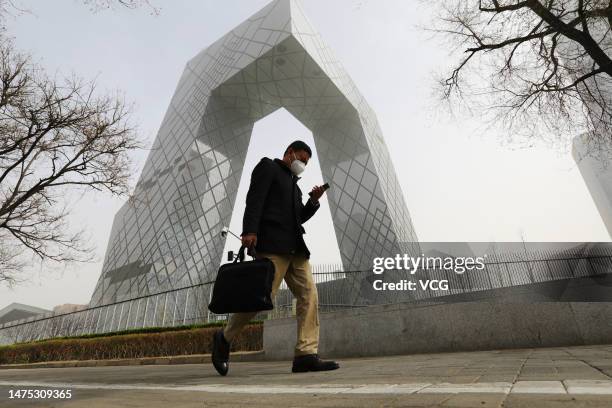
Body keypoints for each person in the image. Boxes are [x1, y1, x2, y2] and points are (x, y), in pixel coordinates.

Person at [211, 140, 340, 376]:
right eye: (301, 159)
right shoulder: (268, 167)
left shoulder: (295, 185)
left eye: (306, 163)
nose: (302, 164)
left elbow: (298, 217)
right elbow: (255, 198)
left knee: (309, 294)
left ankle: (305, 354)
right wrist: (249, 229)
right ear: (290, 153)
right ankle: (224, 338)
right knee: (260, 298)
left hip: (296, 250)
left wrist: (313, 201)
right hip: (272, 245)